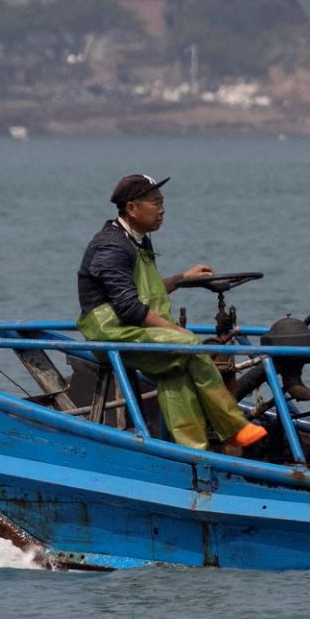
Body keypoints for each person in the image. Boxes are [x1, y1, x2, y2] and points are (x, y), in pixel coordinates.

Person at [76, 174, 267, 452]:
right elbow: (129, 307)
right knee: (187, 346)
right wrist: (175, 330)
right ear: (131, 208)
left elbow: (146, 292)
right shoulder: (112, 246)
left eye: (162, 202)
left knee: (175, 368)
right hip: (110, 333)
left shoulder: (138, 240)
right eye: (155, 203)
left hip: (133, 329)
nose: (162, 209)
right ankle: (233, 426)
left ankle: (193, 449)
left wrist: (182, 278)